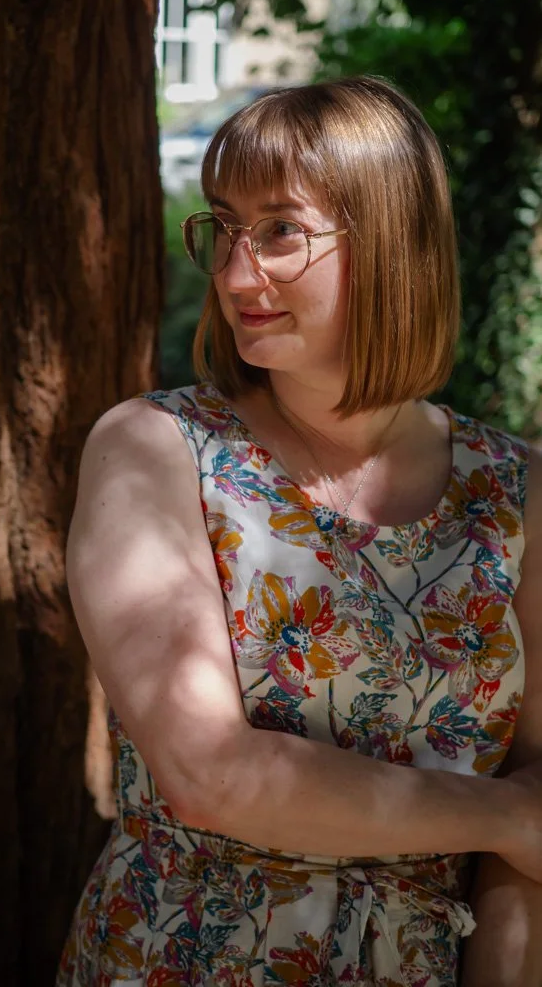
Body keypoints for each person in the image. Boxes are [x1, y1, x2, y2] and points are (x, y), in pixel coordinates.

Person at [56, 76, 542, 986]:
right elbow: (210, 774)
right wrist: (499, 817)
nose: (239, 275)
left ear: (394, 239)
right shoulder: (158, 452)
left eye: (281, 230)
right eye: (226, 229)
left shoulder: (516, 493)